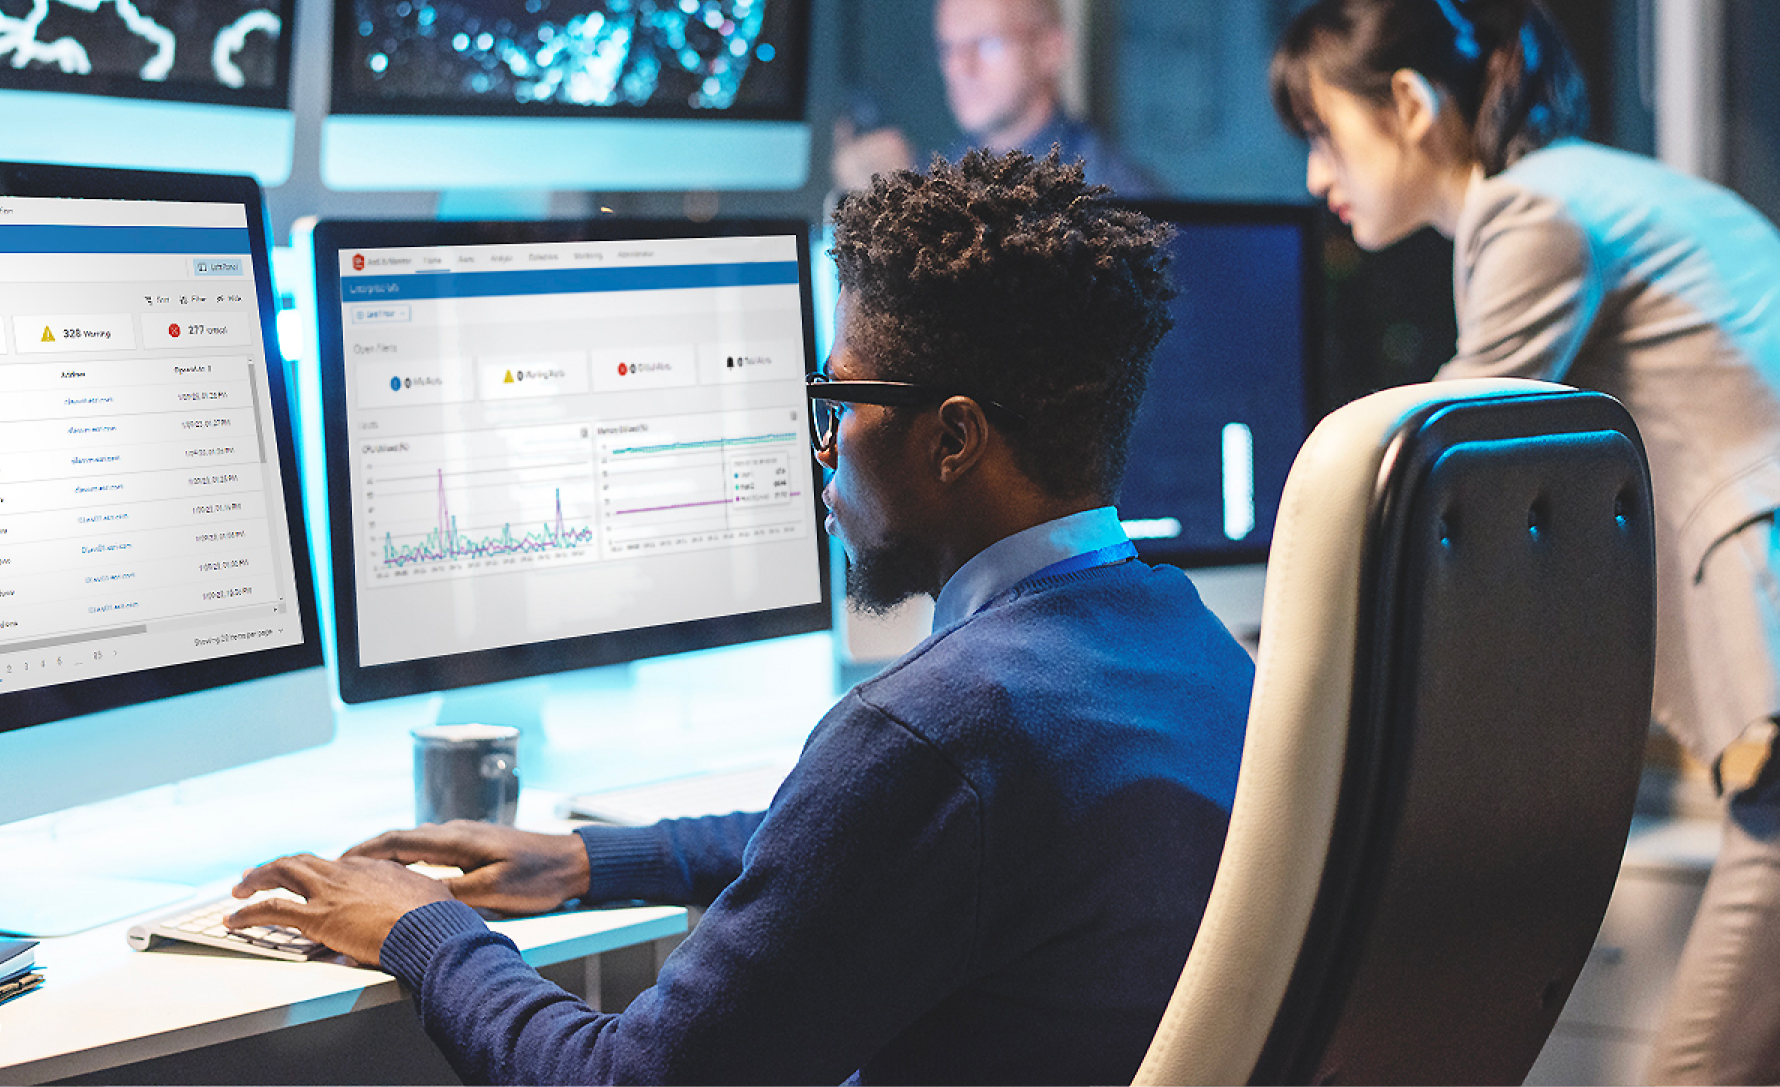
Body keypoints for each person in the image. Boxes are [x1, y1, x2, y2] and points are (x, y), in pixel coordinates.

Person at [227, 151, 1252, 1085]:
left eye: (839, 402)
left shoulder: (933, 734)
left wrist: (425, 926)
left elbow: (623, 1081)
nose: (821, 446)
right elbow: (879, 843)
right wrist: (597, 861)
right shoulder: (1190, 648)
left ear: (952, 439)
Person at [1269, 1, 1780, 1082]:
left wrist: (1282, 657)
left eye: (1322, 134)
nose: (1319, 178)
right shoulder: (1608, 181)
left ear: (1408, 106)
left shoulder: (1530, 213)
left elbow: (1429, 472)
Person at [832, 0, 1154, 196]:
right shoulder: (946, 170)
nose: (960, 68)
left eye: (987, 44)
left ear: (1051, 49)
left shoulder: (1110, 194)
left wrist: (904, 204)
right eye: (948, 48)